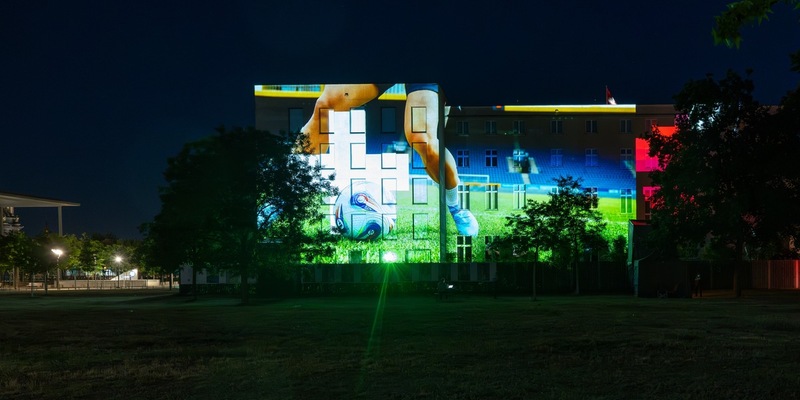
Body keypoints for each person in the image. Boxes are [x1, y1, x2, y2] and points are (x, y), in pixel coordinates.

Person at [299, 83, 479, 236]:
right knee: (326, 105)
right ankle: (288, 191)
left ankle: (456, 207)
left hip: (423, 52)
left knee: (422, 138)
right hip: (385, 48)